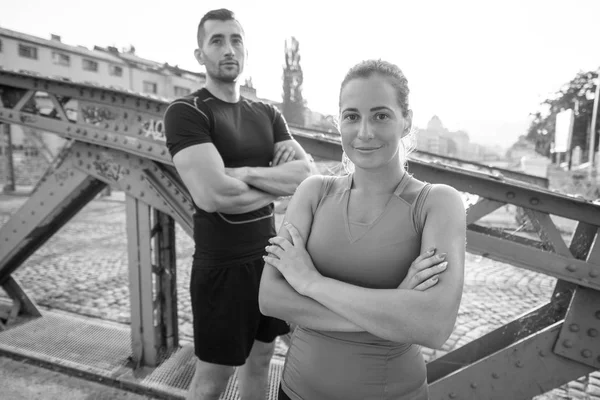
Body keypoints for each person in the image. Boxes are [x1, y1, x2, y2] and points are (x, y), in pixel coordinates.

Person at [259, 59, 466, 400]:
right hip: (295, 392)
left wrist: (311, 283)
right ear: (338, 121)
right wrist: (396, 309)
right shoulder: (313, 192)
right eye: (352, 116)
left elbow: (433, 326)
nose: (365, 131)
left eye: (381, 115)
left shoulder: (437, 204)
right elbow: (270, 298)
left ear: (406, 121)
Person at [163, 9, 313, 400]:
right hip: (222, 267)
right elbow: (213, 196)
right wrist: (276, 186)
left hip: (270, 259)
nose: (229, 49)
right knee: (212, 380)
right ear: (200, 55)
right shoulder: (187, 112)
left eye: (236, 39)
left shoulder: (267, 113)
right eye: (217, 41)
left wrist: (242, 173)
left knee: (262, 361)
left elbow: (306, 175)